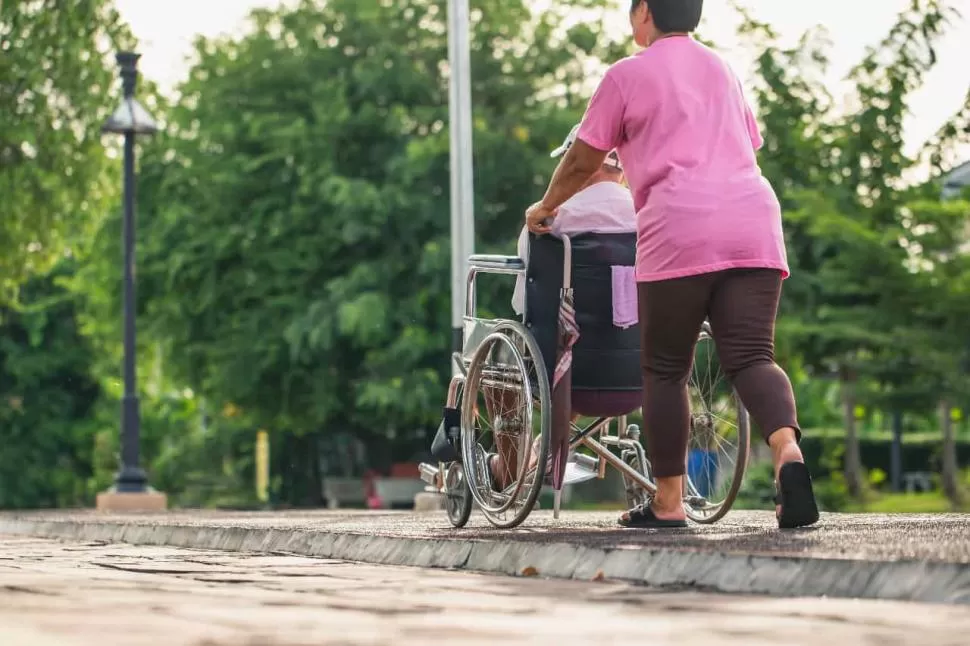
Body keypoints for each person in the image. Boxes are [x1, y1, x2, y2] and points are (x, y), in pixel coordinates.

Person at [525, 0, 820, 529]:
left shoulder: (626, 75)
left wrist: (546, 208)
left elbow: (583, 158)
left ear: (643, 13)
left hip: (679, 227)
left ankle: (667, 503)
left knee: (665, 369)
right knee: (752, 357)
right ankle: (788, 453)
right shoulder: (722, 69)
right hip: (753, 219)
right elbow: (747, 144)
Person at [487, 126, 637, 491]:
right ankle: (545, 447)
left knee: (499, 360)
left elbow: (524, 304)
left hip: (562, 375)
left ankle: (510, 465)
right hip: (642, 377)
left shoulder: (551, 220)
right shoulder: (650, 216)